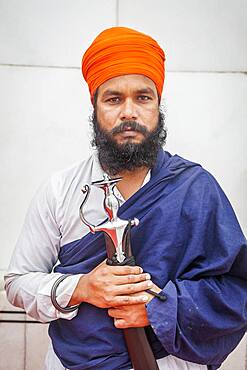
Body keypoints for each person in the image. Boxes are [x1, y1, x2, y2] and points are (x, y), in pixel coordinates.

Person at [4, 27, 247, 370]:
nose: (129, 112)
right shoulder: (59, 191)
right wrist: (82, 287)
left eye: (143, 97)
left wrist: (158, 308)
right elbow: (17, 282)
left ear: (158, 106)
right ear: (95, 107)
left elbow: (236, 291)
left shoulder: (196, 188)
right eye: (114, 98)